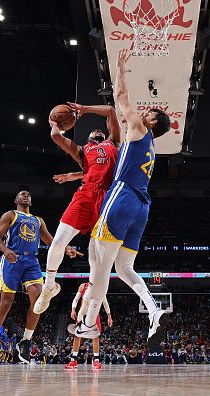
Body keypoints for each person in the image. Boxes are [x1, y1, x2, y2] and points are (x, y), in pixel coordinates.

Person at [68, 49, 171, 346]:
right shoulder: (151, 147)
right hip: (141, 207)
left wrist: (121, 67)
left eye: (149, 111)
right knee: (124, 268)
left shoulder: (139, 129)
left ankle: (88, 324)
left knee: (99, 264)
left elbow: (121, 97)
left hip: (123, 196)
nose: (144, 111)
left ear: (151, 121)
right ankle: (154, 311)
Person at [33, 102, 121, 314]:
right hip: (85, 195)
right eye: (94, 131)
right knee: (58, 243)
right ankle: (49, 286)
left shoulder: (114, 143)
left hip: (107, 199)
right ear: (89, 138)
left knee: (95, 257)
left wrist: (84, 109)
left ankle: (91, 299)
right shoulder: (83, 151)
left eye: (101, 129)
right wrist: (54, 123)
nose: (98, 130)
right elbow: (56, 137)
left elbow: (110, 111)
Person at [0, 190, 80, 370]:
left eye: (28, 194)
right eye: (22, 194)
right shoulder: (10, 215)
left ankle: (26, 341)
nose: (26, 195)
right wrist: (5, 250)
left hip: (32, 261)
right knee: (6, 303)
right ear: (16, 200)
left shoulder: (38, 220)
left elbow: (50, 240)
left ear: (31, 201)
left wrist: (66, 248)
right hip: (13, 259)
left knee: (38, 302)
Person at [65, 282, 113, 370]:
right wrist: (73, 309)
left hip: (94, 313)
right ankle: (73, 360)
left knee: (95, 337)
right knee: (77, 335)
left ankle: (96, 361)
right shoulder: (83, 286)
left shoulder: (100, 287)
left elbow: (105, 302)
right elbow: (76, 299)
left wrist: (109, 316)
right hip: (83, 312)